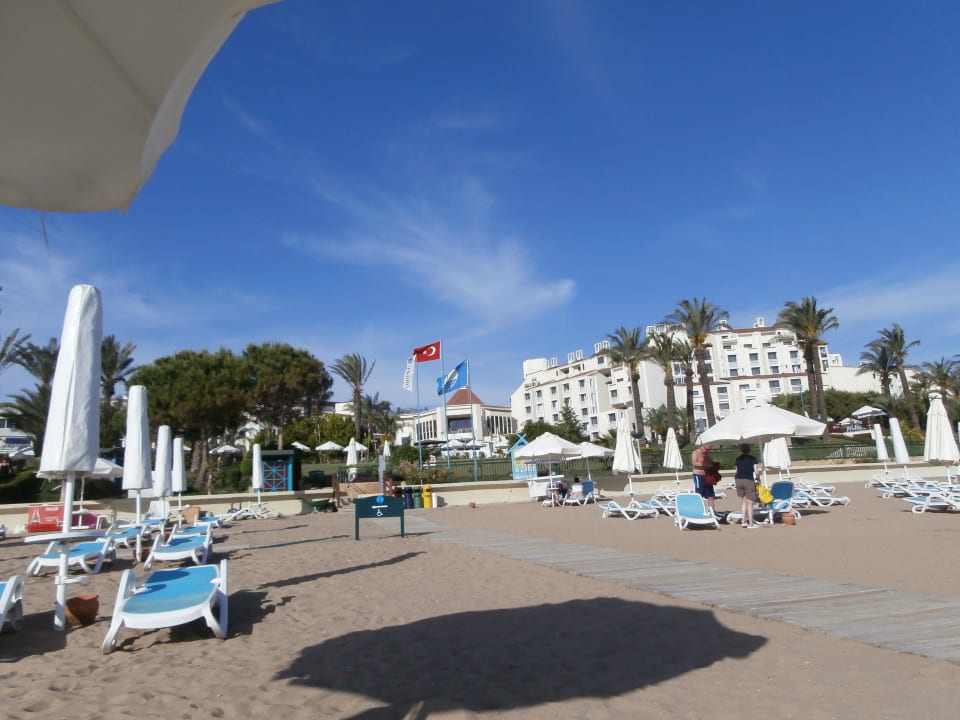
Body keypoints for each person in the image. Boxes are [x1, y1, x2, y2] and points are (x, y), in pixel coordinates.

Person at [734, 443, 762, 529]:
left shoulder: (738, 459)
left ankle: (743, 521)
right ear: (749, 450)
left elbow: (736, 471)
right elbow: (756, 472)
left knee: (743, 501)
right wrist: (758, 479)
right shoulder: (753, 459)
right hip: (748, 480)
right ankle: (750, 523)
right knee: (750, 502)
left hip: (738, 480)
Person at [691, 443, 716, 512]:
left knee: (711, 496)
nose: (707, 451)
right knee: (699, 495)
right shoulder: (695, 452)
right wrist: (704, 464)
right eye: (706, 449)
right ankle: (697, 511)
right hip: (698, 476)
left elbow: (711, 463)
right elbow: (694, 463)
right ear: (702, 446)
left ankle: (712, 512)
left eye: (709, 450)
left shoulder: (707, 454)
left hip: (707, 476)